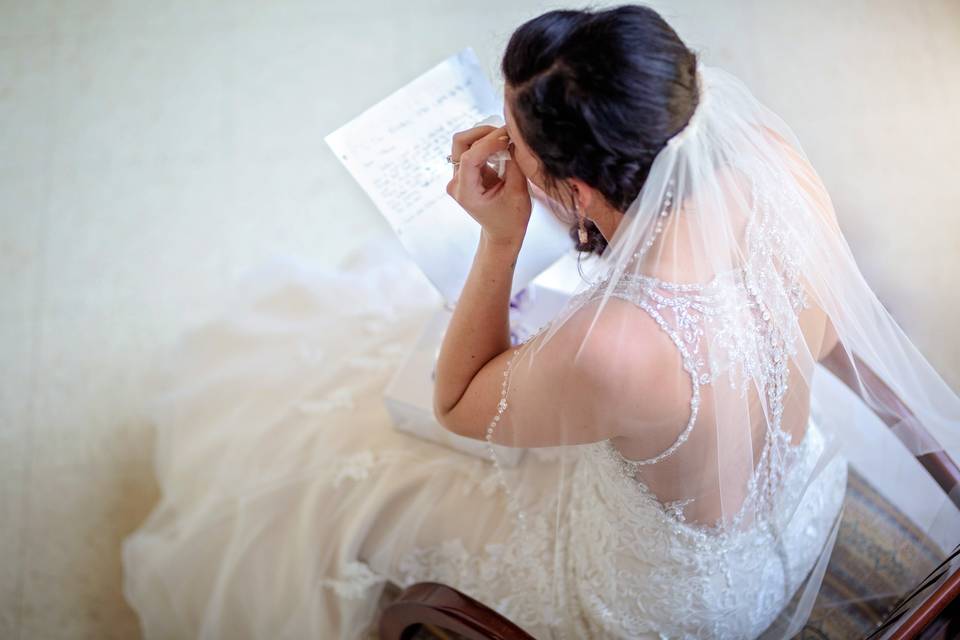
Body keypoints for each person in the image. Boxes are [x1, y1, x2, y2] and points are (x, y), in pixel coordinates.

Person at [122, 5, 960, 639]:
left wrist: (500, 238)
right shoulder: (776, 164)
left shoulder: (618, 346)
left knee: (353, 453)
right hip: (801, 491)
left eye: (518, 150)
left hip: (690, 605)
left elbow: (457, 402)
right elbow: (846, 332)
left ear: (580, 194)